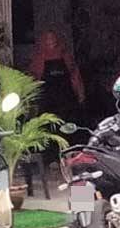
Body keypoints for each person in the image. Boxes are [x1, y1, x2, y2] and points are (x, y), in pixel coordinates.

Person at [29, 31, 86, 165]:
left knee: (69, 129)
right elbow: (33, 80)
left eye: (53, 38)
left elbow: (75, 76)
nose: (51, 41)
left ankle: (71, 159)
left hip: (67, 101)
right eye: (48, 39)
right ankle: (52, 159)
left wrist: (81, 93)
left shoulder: (66, 55)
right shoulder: (38, 58)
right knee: (50, 130)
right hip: (48, 102)